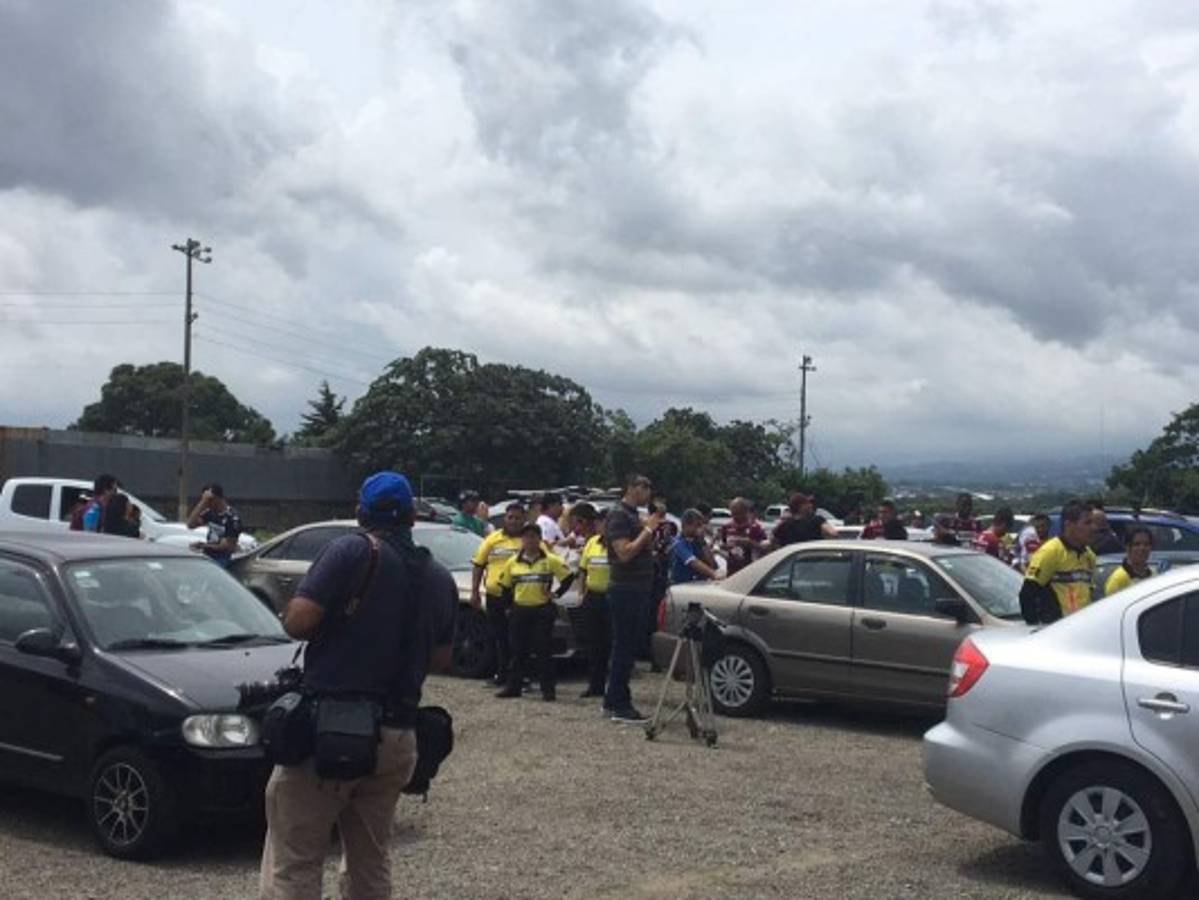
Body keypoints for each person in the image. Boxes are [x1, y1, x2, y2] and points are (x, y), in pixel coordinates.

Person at [259, 471, 456, 900]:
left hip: (331, 732)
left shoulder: (350, 551)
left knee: (295, 862)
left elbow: (299, 623)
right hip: (398, 735)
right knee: (371, 859)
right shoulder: (437, 577)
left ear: (360, 513)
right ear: (411, 517)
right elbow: (441, 659)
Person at [603, 474, 663, 723]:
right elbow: (624, 553)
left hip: (639, 587)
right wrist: (648, 529)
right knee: (624, 647)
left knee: (628, 646)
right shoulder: (619, 514)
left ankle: (612, 698)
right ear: (631, 488)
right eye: (644, 487)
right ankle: (620, 704)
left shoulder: (633, 515)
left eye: (650, 487)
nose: (648, 492)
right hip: (625, 588)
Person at [494, 524, 573, 701]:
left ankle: (548, 690)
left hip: (541, 610)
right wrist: (508, 607)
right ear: (522, 540)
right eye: (527, 537)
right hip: (520, 610)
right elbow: (505, 587)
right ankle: (514, 687)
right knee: (517, 651)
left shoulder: (550, 560)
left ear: (539, 539)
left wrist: (556, 594)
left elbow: (568, 577)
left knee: (543, 651)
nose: (530, 541)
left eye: (533, 537)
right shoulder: (512, 562)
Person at [470, 503, 529, 686]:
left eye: (517, 518)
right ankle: (501, 674)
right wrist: (474, 592)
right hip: (495, 596)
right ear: (505, 518)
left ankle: (520, 677)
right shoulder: (492, 539)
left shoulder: (530, 540)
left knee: (519, 639)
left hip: (520, 597)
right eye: (510, 517)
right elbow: (478, 565)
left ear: (524, 519)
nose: (513, 521)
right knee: (498, 637)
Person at [1020, 500, 1097, 625]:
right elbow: (1027, 594)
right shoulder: (1050, 551)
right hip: (1057, 629)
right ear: (1069, 525)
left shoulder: (1089, 555)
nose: (1094, 527)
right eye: (1087, 523)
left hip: (1082, 628)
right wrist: (1036, 627)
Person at [574, 504, 611, 699]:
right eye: (598, 522)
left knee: (610, 642)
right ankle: (594, 684)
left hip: (611, 598)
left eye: (602, 522)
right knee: (594, 642)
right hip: (593, 596)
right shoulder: (592, 543)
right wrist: (581, 593)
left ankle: (611, 685)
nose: (599, 525)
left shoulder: (617, 544)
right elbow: (583, 570)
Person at [187, 483, 242, 568]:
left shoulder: (232, 518)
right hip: (208, 556)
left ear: (216, 498)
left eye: (209, 500)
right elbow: (191, 524)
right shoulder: (210, 513)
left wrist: (203, 546)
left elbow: (226, 546)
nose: (207, 504)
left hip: (222, 558)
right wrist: (202, 503)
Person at [718, 497, 770, 576]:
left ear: (745, 511)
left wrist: (749, 543)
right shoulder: (726, 527)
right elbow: (722, 545)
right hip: (732, 571)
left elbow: (766, 548)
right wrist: (726, 546)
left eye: (737, 513)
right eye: (733, 513)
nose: (735, 516)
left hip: (751, 570)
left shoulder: (755, 528)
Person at [669, 509, 721, 584]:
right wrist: (714, 574)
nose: (700, 529)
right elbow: (693, 562)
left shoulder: (697, 541)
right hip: (682, 586)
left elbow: (713, 565)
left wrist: (702, 542)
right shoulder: (678, 543)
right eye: (697, 525)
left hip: (699, 584)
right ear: (686, 525)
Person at [771, 493, 837, 547]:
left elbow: (772, 541)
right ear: (801, 507)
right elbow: (833, 534)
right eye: (807, 503)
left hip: (792, 561)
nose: (810, 505)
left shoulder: (784, 526)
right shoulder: (817, 520)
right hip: (813, 560)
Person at [1104, 526, 1154, 597]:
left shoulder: (1153, 575)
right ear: (1127, 547)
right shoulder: (1118, 579)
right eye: (1137, 544)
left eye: (1146, 544)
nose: (1142, 548)